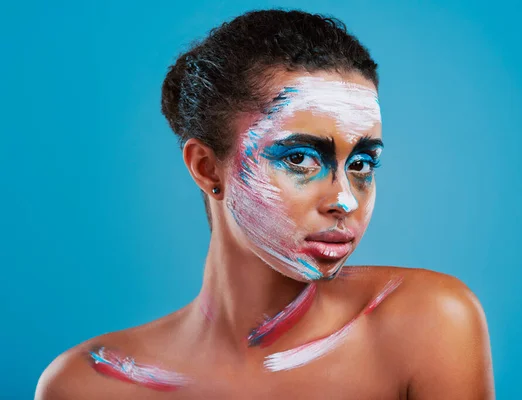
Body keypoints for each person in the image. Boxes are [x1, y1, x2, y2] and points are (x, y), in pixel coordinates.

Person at [35, 9, 494, 399]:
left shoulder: (428, 325)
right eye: (299, 158)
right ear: (207, 168)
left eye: (361, 164)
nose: (344, 200)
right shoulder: (91, 384)